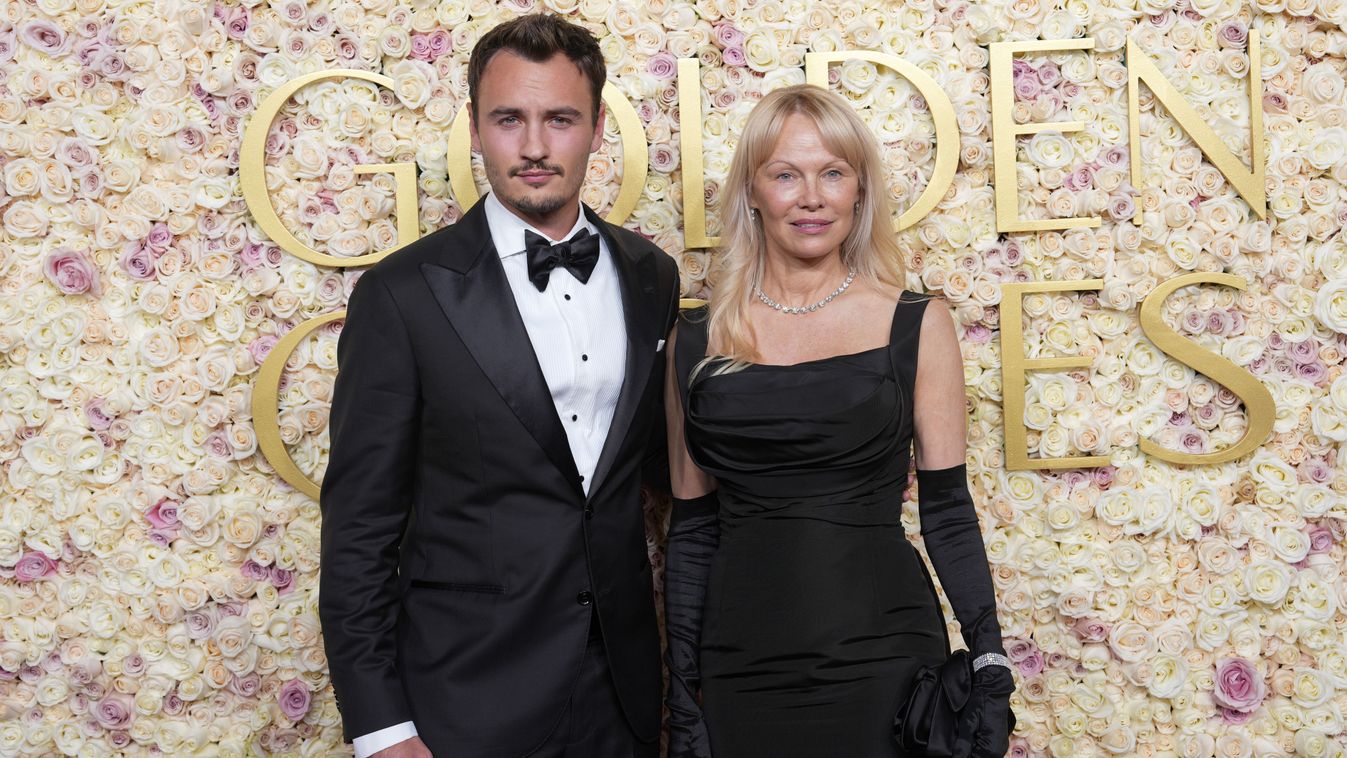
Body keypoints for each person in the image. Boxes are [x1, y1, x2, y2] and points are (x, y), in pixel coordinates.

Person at [318, 14, 679, 758]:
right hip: (464, 699)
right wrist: (381, 727)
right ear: (475, 129)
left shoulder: (651, 275)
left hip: (623, 697)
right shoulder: (402, 295)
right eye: (509, 119)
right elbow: (359, 526)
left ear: (597, 127)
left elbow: (652, 472)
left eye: (560, 119)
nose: (536, 146)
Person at [662, 84, 1015, 758]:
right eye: (785, 174)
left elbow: (946, 510)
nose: (812, 196)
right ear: (753, 192)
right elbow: (692, 534)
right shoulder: (695, 342)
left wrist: (989, 658)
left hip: (882, 659)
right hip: (741, 663)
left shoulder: (912, 322)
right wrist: (682, 697)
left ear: (858, 191)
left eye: (832, 173)